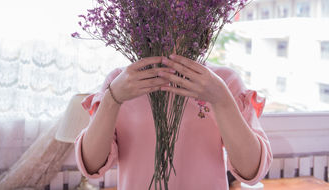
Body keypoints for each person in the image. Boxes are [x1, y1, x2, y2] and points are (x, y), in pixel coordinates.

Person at [74, 54, 273, 190]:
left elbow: (252, 171)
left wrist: (221, 99)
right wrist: (112, 98)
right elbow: (91, 167)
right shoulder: (123, 80)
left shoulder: (221, 80)